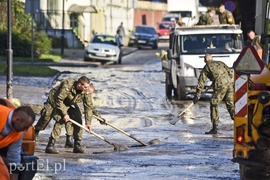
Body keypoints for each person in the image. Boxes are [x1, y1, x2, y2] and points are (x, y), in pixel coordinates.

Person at [43, 76, 101, 154]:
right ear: (80, 84)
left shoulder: (85, 90)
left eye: (87, 87)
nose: (87, 89)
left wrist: (88, 123)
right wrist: (65, 114)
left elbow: (88, 107)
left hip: (71, 103)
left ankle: (77, 145)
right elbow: (59, 100)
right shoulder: (67, 84)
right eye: (85, 87)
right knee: (60, 120)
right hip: (60, 102)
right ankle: (50, 145)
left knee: (78, 119)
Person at [192, 54, 234, 134]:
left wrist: (197, 95)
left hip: (220, 85)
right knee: (230, 104)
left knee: (214, 103)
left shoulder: (207, 66)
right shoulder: (221, 63)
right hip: (229, 84)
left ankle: (214, 128)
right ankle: (239, 123)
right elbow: (230, 74)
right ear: (212, 59)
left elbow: (201, 81)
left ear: (205, 60)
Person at [0, 103, 36, 180]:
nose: (26, 130)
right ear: (17, 119)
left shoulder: (18, 134)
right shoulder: (1, 112)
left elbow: (13, 157)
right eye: (25, 127)